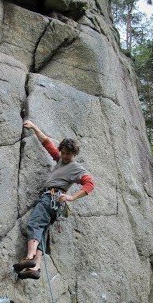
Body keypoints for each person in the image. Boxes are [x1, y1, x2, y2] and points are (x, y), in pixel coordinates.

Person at [13, 120, 95, 280]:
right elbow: (47, 143)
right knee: (41, 232)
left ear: (74, 154)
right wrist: (35, 127)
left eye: (68, 154)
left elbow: (90, 184)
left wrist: (71, 197)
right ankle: (35, 268)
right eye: (63, 153)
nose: (65, 156)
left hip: (51, 198)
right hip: (55, 204)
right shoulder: (60, 161)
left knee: (34, 224)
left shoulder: (76, 168)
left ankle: (29, 258)